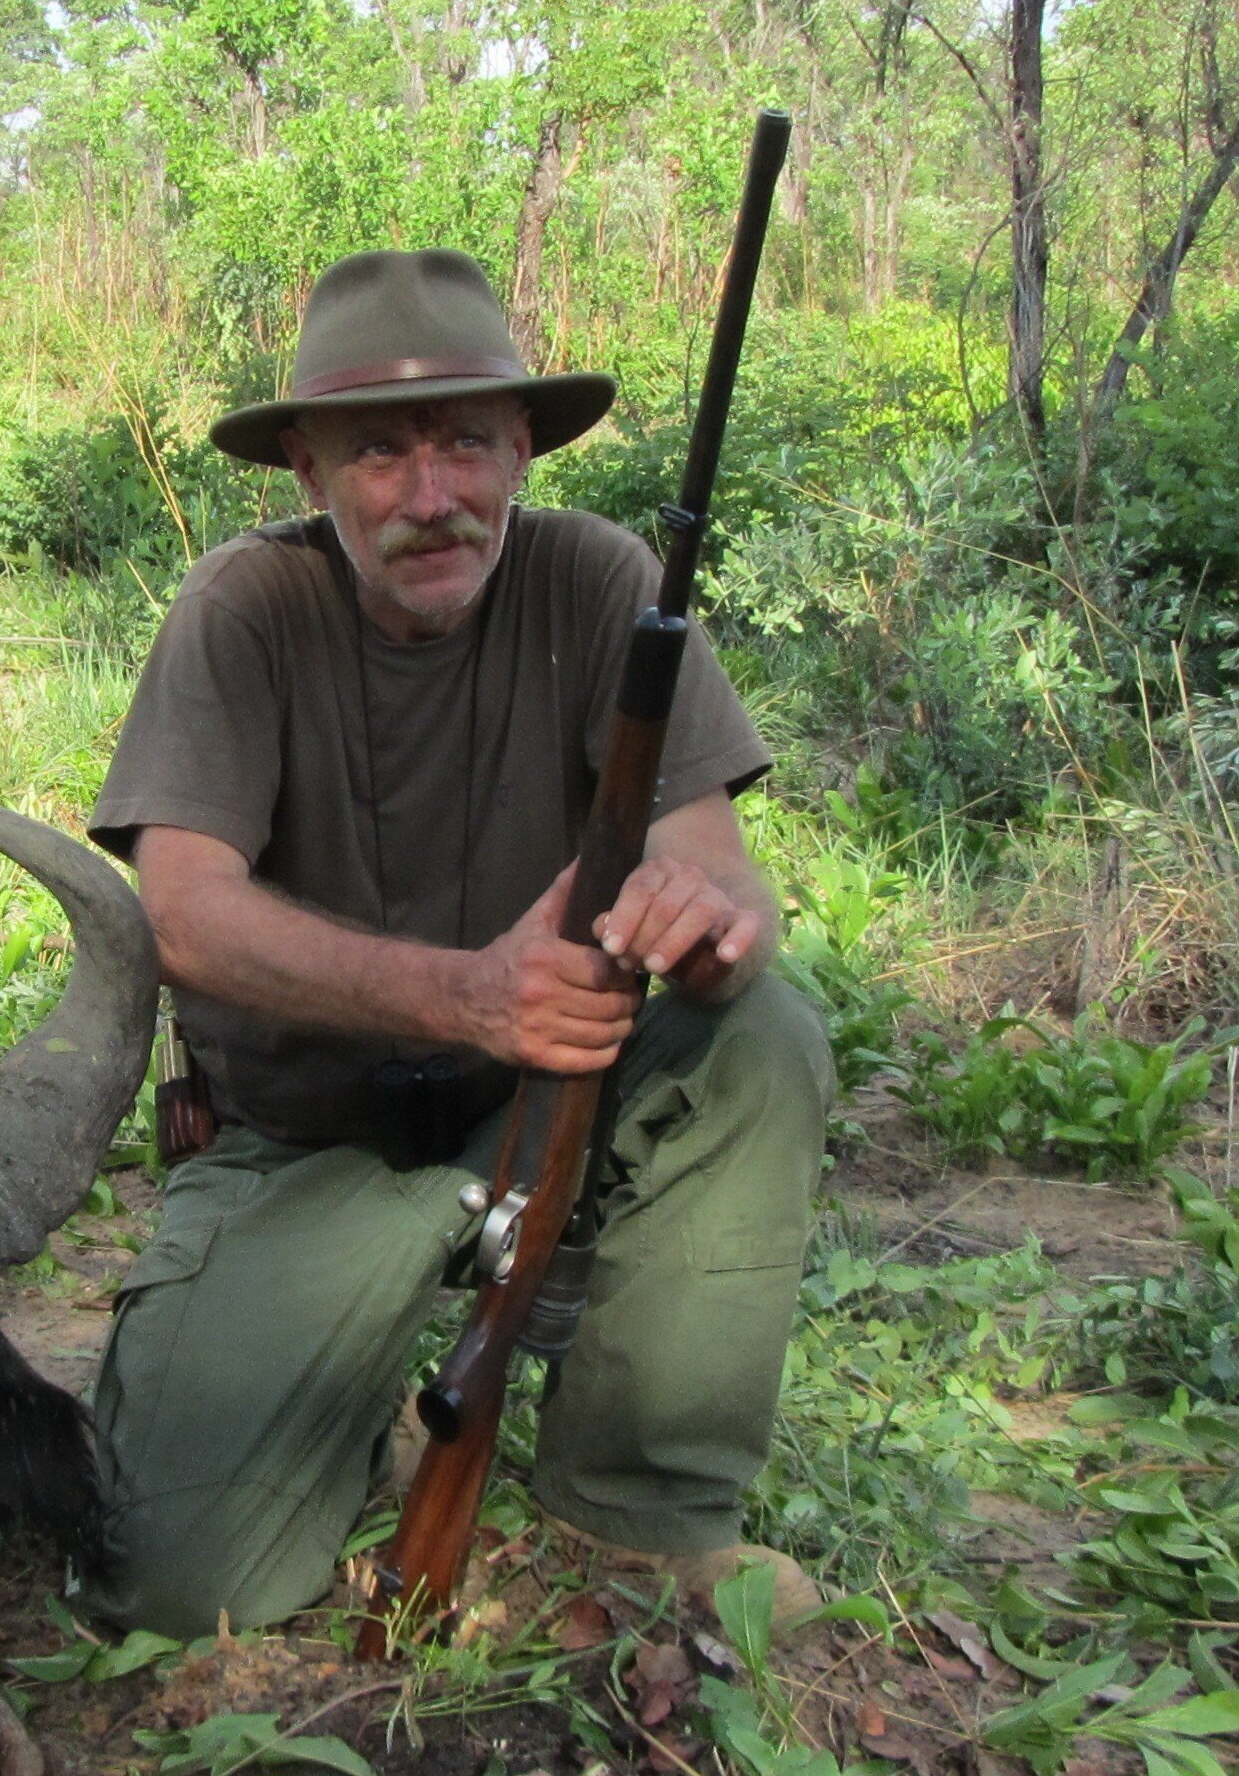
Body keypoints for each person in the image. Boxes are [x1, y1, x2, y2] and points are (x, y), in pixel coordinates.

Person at [81, 247, 837, 1637]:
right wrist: (474, 996)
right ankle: (356, 1402)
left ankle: (632, 1522)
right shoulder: (241, 609)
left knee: (763, 1040)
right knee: (179, 1579)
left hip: (536, 1116)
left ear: (524, 448)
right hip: (301, 1142)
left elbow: (726, 886)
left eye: (468, 443)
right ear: (306, 475)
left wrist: (713, 932)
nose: (433, 497)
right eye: (378, 453)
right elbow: (177, 913)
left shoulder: (606, 582)